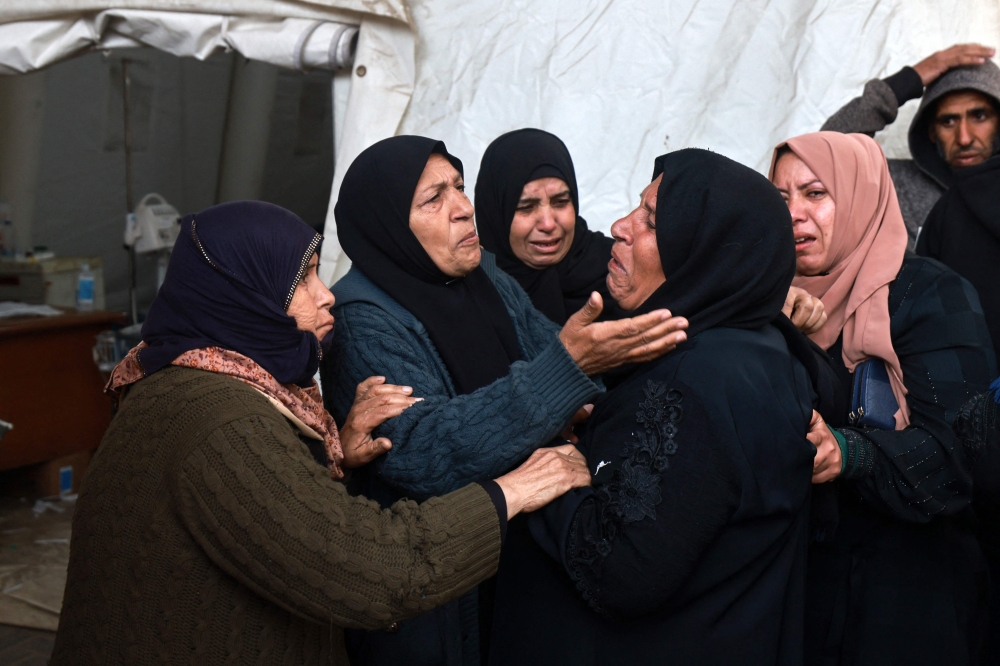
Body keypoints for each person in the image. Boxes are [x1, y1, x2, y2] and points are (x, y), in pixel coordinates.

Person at [50, 201, 593, 666]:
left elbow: (264, 518)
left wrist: (334, 457)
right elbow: (374, 570)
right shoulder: (221, 418)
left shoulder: (196, 377)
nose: (327, 294)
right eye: (302, 280)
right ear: (244, 297)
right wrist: (515, 489)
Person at [321, 136, 689, 666]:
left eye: (459, 187)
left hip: (519, 569)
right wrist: (566, 374)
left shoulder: (486, 274)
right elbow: (422, 450)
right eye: (433, 199)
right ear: (387, 226)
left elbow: (557, 362)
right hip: (438, 599)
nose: (462, 207)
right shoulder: (364, 319)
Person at [489, 148, 818, 665]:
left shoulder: (695, 382)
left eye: (651, 220)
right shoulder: (759, 346)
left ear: (703, 252)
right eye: (635, 209)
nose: (621, 226)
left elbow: (621, 572)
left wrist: (560, 473)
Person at [770, 131, 997, 666]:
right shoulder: (767, 297)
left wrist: (851, 453)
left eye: (815, 193)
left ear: (859, 195)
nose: (794, 215)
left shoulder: (931, 293)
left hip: (910, 588)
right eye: (779, 199)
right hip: (801, 578)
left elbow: (964, 456)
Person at [821, 43, 998, 242]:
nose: (964, 138)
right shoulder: (895, 186)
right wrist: (910, 80)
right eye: (948, 121)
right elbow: (822, 158)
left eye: (979, 116)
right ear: (931, 131)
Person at [475, 128, 616, 325]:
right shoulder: (473, 294)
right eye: (526, 207)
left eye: (560, 202)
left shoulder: (619, 268)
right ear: (497, 216)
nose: (548, 224)